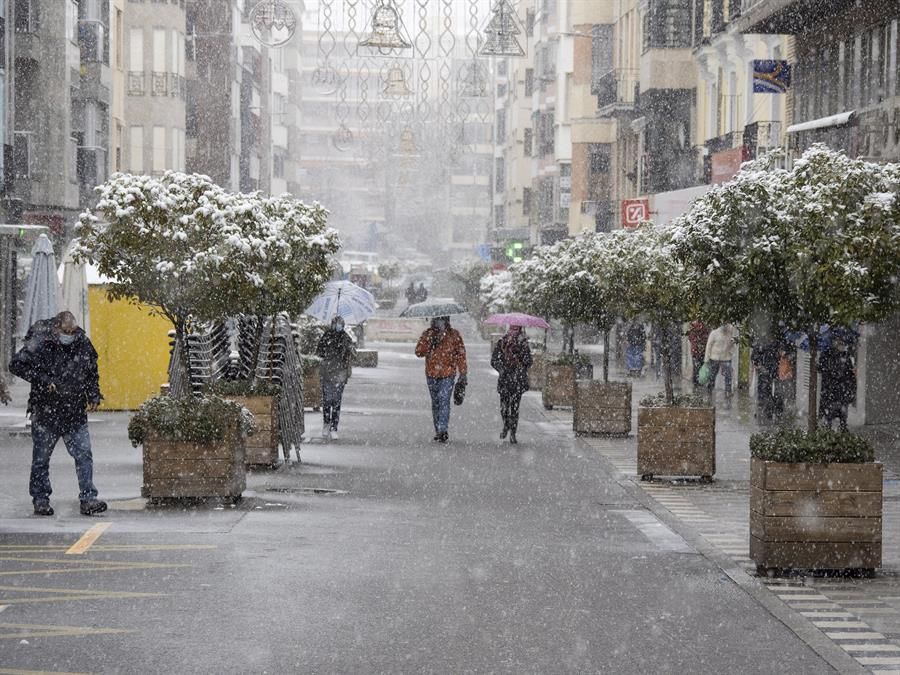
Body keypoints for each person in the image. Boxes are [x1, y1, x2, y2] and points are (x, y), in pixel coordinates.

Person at [8, 311, 106, 517]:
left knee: (84, 455)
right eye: (65, 331)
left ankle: (88, 498)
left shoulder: (82, 343)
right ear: (56, 328)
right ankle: (41, 499)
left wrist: (94, 394)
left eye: (72, 331)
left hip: (73, 411)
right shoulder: (41, 343)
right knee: (41, 459)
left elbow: (91, 372)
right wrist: (44, 381)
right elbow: (16, 365)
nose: (69, 335)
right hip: (46, 411)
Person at [415, 315, 467, 443]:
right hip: (431, 374)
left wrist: (463, 372)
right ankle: (438, 429)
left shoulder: (454, 335)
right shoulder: (427, 334)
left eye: (442, 319)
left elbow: (461, 354)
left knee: (444, 401)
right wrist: (430, 343)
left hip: (448, 374)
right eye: (437, 319)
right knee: (436, 402)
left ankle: (442, 429)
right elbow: (418, 352)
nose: (440, 322)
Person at [315, 316, 355, 441]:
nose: (338, 326)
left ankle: (334, 427)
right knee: (327, 400)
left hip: (340, 373)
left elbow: (353, 353)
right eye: (336, 324)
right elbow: (319, 352)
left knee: (336, 401)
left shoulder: (345, 337)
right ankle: (326, 424)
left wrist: (348, 348)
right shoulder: (326, 336)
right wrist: (328, 349)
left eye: (340, 324)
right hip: (327, 372)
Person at [491, 325, 532, 444]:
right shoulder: (502, 342)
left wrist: (521, 357)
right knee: (504, 408)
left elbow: (529, 361)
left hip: (517, 380)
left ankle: (513, 433)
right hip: (505, 379)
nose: (514, 331)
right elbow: (494, 360)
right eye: (512, 329)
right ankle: (506, 425)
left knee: (514, 408)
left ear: (520, 330)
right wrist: (501, 368)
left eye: (516, 329)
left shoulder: (523, 343)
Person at [819, 336, 856, 432]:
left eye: (842, 343)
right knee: (829, 413)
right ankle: (828, 431)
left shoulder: (845, 355)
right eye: (839, 342)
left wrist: (851, 384)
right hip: (831, 390)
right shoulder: (827, 355)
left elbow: (850, 373)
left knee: (842, 414)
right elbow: (822, 369)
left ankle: (842, 428)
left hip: (842, 390)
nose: (841, 345)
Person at [704, 323, 735, 406]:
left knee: (728, 375)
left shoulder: (730, 332)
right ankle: (709, 390)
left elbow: (732, 345)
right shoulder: (714, 333)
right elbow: (709, 346)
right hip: (715, 358)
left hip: (726, 358)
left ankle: (727, 391)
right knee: (712, 376)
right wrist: (706, 359)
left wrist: (731, 352)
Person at [751, 337, 780, 423]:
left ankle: (767, 410)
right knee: (766, 391)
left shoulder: (764, 342)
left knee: (766, 391)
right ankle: (767, 410)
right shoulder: (765, 342)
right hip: (766, 370)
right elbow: (754, 355)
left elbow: (754, 356)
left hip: (768, 370)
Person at [686, 320, 710, 386]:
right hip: (699, 351)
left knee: (697, 367)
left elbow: (690, 338)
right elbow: (706, 337)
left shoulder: (692, 328)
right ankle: (698, 382)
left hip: (696, 351)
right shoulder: (704, 328)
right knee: (699, 367)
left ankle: (696, 382)